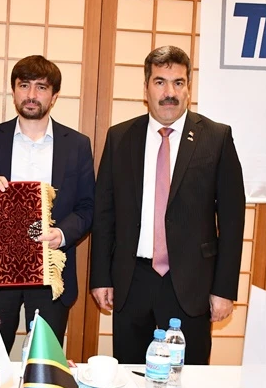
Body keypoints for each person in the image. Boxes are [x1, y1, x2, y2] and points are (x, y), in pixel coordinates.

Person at [89, 45, 246, 365]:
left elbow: (232, 220)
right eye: (160, 82)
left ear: (189, 88)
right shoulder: (120, 137)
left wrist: (224, 289)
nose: (169, 92)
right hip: (133, 280)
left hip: (191, 284)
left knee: (188, 379)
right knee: (131, 376)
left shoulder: (216, 138)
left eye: (178, 82)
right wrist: (101, 276)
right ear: (146, 88)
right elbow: (104, 213)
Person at [0, 55, 95, 353]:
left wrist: (61, 234)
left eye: (41, 87)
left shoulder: (76, 144)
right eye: (24, 85)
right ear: (13, 90)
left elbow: (88, 207)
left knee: (44, 361)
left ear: (54, 95)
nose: (31, 94)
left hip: (50, 269)